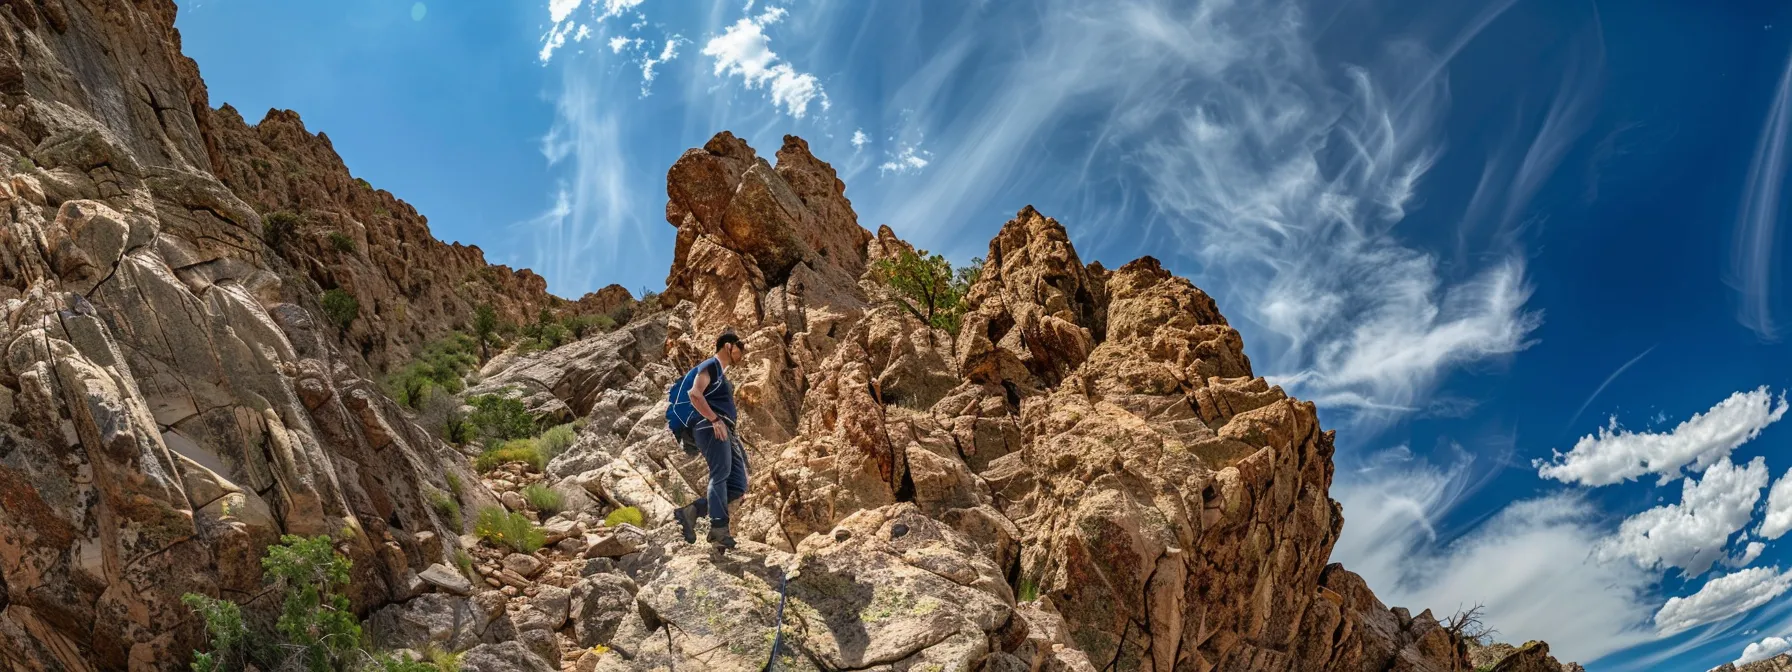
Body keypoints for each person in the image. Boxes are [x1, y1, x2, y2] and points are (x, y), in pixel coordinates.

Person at [666, 331, 749, 549]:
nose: (743, 353)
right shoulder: (711, 365)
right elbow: (695, 394)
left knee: (738, 485)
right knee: (720, 474)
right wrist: (714, 419)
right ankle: (719, 528)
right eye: (740, 347)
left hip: (726, 429)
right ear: (729, 346)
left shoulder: (721, 374)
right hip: (711, 426)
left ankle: (692, 512)